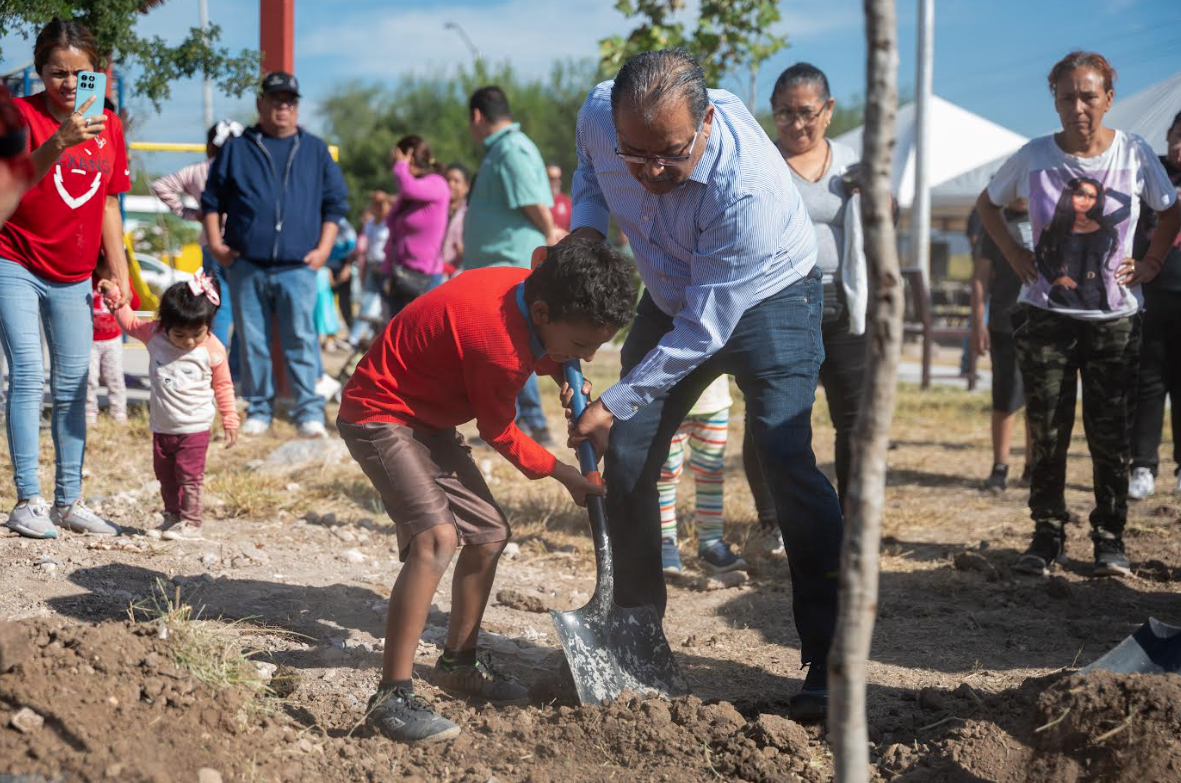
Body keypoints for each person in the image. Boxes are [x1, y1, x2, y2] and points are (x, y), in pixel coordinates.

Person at [560, 49, 842, 722]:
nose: (651, 170)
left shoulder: (746, 187)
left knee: (782, 455)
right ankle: (635, 637)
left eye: (671, 153)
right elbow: (591, 175)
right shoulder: (600, 116)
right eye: (635, 153)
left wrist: (612, 401)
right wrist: (583, 241)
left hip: (766, 293)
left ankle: (830, 658)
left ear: (707, 122)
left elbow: (704, 328)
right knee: (629, 456)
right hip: (670, 292)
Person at [337, 239, 635, 744]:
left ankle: (458, 662)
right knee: (436, 539)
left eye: (593, 348)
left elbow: (540, 343)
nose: (585, 357)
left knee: (489, 534)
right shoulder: (495, 343)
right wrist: (566, 475)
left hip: (429, 418)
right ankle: (390, 698)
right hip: (380, 413)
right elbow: (498, 431)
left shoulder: (532, 291)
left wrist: (563, 369)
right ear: (543, 313)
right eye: (581, 345)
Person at [978, 51, 1180, 578]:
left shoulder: (1134, 153)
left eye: (1088, 96)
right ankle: (1047, 534)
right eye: (1067, 97)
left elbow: (1170, 207)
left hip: (1114, 321)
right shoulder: (1034, 156)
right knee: (1048, 433)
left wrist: (1153, 260)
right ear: (1055, 101)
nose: (1078, 107)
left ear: (1109, 98)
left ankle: (1110, 539)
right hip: (1046, 317)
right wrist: (1014, 254)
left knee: (1110, 436)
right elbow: (988, 204)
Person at [0, 18, 133, 539]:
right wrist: (59, 141)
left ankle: (68, 501)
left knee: (76, 383)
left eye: (81, 73)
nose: (70, 84)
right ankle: (28, 500)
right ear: (40, 71)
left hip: (75, 272)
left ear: (97, 72)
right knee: (28, 373)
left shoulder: (110, 125)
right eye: (58, 72)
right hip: (14, 259)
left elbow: (109, 204)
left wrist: (118, 272)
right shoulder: (18, 116)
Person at [201, 70, 349, 440]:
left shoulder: (314, 150)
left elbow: (335, 204)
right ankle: (259, 409)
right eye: (276, 100)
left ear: (297, 107)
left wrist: (324, 250)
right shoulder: (238, 148)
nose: (283, 107)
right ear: (260, 104)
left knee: (302, 339)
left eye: (290, 101)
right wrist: (216, 245)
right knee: (253, 342)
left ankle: (308, 411)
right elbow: (211, 200)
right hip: (247, 265)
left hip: (298, 267)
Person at [769, 62, 870, 510]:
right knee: (779, 416)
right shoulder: (762, 163)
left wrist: (879, 197)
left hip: (843, 303)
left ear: (828, 110)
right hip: (782, 305)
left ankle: (851, 517)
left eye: (807, 113)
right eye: (785, 113)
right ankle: (775, 519)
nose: (796, 124)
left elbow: (885, 221)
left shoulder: (852, 163)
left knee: (854, 418)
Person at [100, 272, 238, 540]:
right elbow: (129, 322)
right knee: (165, 476)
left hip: (195, 427)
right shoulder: (154, 334)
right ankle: (172, 516)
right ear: (165, 325)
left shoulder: (213, 348)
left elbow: (223, 386)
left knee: (189, 476)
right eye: (180, 334)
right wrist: (114, 295)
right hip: (162, 426)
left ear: (208, 325)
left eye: (197, 333)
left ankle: (192, 522)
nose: (188, 341)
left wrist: (230, 419)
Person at [463, 86, 562, 445]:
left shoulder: (511, 148)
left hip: (509, 264)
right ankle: (517, 422)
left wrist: (550, 233)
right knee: (506, 346)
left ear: (477, 116)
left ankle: (532, 423)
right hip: (497, 265)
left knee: (515, 345)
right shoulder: (503, 149)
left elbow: (533, 201)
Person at [151, 120, 243, 375]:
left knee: (217, 306)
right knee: (244, 309)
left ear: (209, 145)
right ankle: (236, 369)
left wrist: (193, 213)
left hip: (211, 245)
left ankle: (214, 364)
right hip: (242, 247)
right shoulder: (244, 169)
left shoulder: (200, 170)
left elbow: (161, 185)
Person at [1128, 110, 1181, 500]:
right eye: (1177, 136)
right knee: (1147, 383)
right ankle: (1142, 466)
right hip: (1150, 295)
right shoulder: (1150, 174)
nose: (1180, 146)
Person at [971, 198, 1034, 492]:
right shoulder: (995, 223)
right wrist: (978, 323)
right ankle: (1000, 466)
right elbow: (980, 278)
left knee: (1040, 399)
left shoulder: (1048, 217)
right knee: (1005, 396)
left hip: (1044, 321)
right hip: (1004, 321)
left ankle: (1034, 466)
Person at [658, 376, 748, 574]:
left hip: (713, 403)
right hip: (670, 401)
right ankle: (665, 542)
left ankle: (711, 542)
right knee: (665, 475)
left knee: (711, 473)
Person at [382, 135, 450, 314]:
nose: (394, 166)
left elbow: (408, 188)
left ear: (409, 158)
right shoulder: (410, 193)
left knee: (421, 331)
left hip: (424, 279)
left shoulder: (437, 184)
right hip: (399, 275)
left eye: (396, 158)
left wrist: (401, 166)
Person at [347, 193, 392, 348]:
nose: (378, 208)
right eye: (375, 205)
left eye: (381, 205)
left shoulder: (389, 223)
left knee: (382, 305)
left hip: (386, 267)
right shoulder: (370, 224)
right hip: (372, 266)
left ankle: (373, 336)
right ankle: (355, 337)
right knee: (367, 301)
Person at [87, 267, 129, 424]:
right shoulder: (88, 281)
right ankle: (89, 411)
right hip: (90, 340)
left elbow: (134, 301)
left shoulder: (121, 280)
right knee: (90, 378)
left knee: (115, 377)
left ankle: (118, 411)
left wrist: (120, 290)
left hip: (113, 339)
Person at [441, 163, 470, 277]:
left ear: (466, 187)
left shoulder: (469, 215)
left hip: (457, 275)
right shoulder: (433, 211)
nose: (450, 184)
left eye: (456, 181)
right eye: (447, 180)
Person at [547, 162, 572, 231]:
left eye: (559, 178)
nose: (557, 182)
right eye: (552, 178)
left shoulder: (567, 202)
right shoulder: (536, 203)